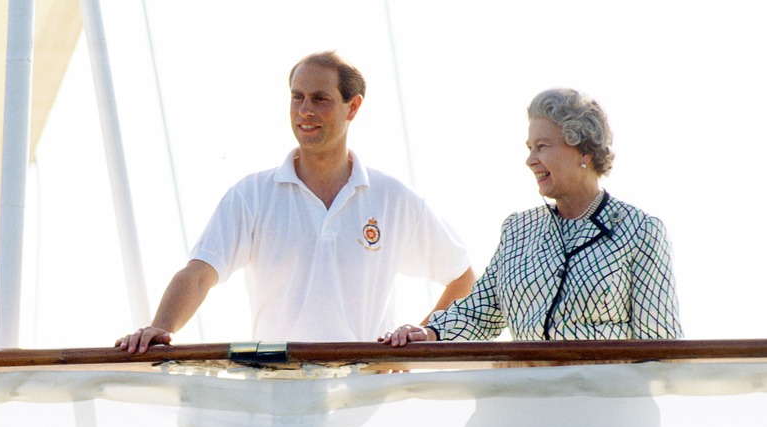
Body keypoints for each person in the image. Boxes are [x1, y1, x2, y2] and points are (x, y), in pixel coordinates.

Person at [117, 51, 475, 353]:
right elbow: (198, 276)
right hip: (278, 398)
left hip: (364, 401)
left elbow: (462, 278)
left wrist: (419, 340)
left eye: (320, 99)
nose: (305, 110)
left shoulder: (394, 199)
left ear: (353, 107)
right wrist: (160, 327)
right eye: (297, 97)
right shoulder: (252, 195)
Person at [381, 87, 683, 346]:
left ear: (584, 153)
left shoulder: (640, 231)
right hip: (527, 403)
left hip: (605, 406)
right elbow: (479, 312)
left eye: (542, 147)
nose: (530, 160)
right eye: (529, 148)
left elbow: (659, 344)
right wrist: (429, 333)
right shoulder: (518, 230)